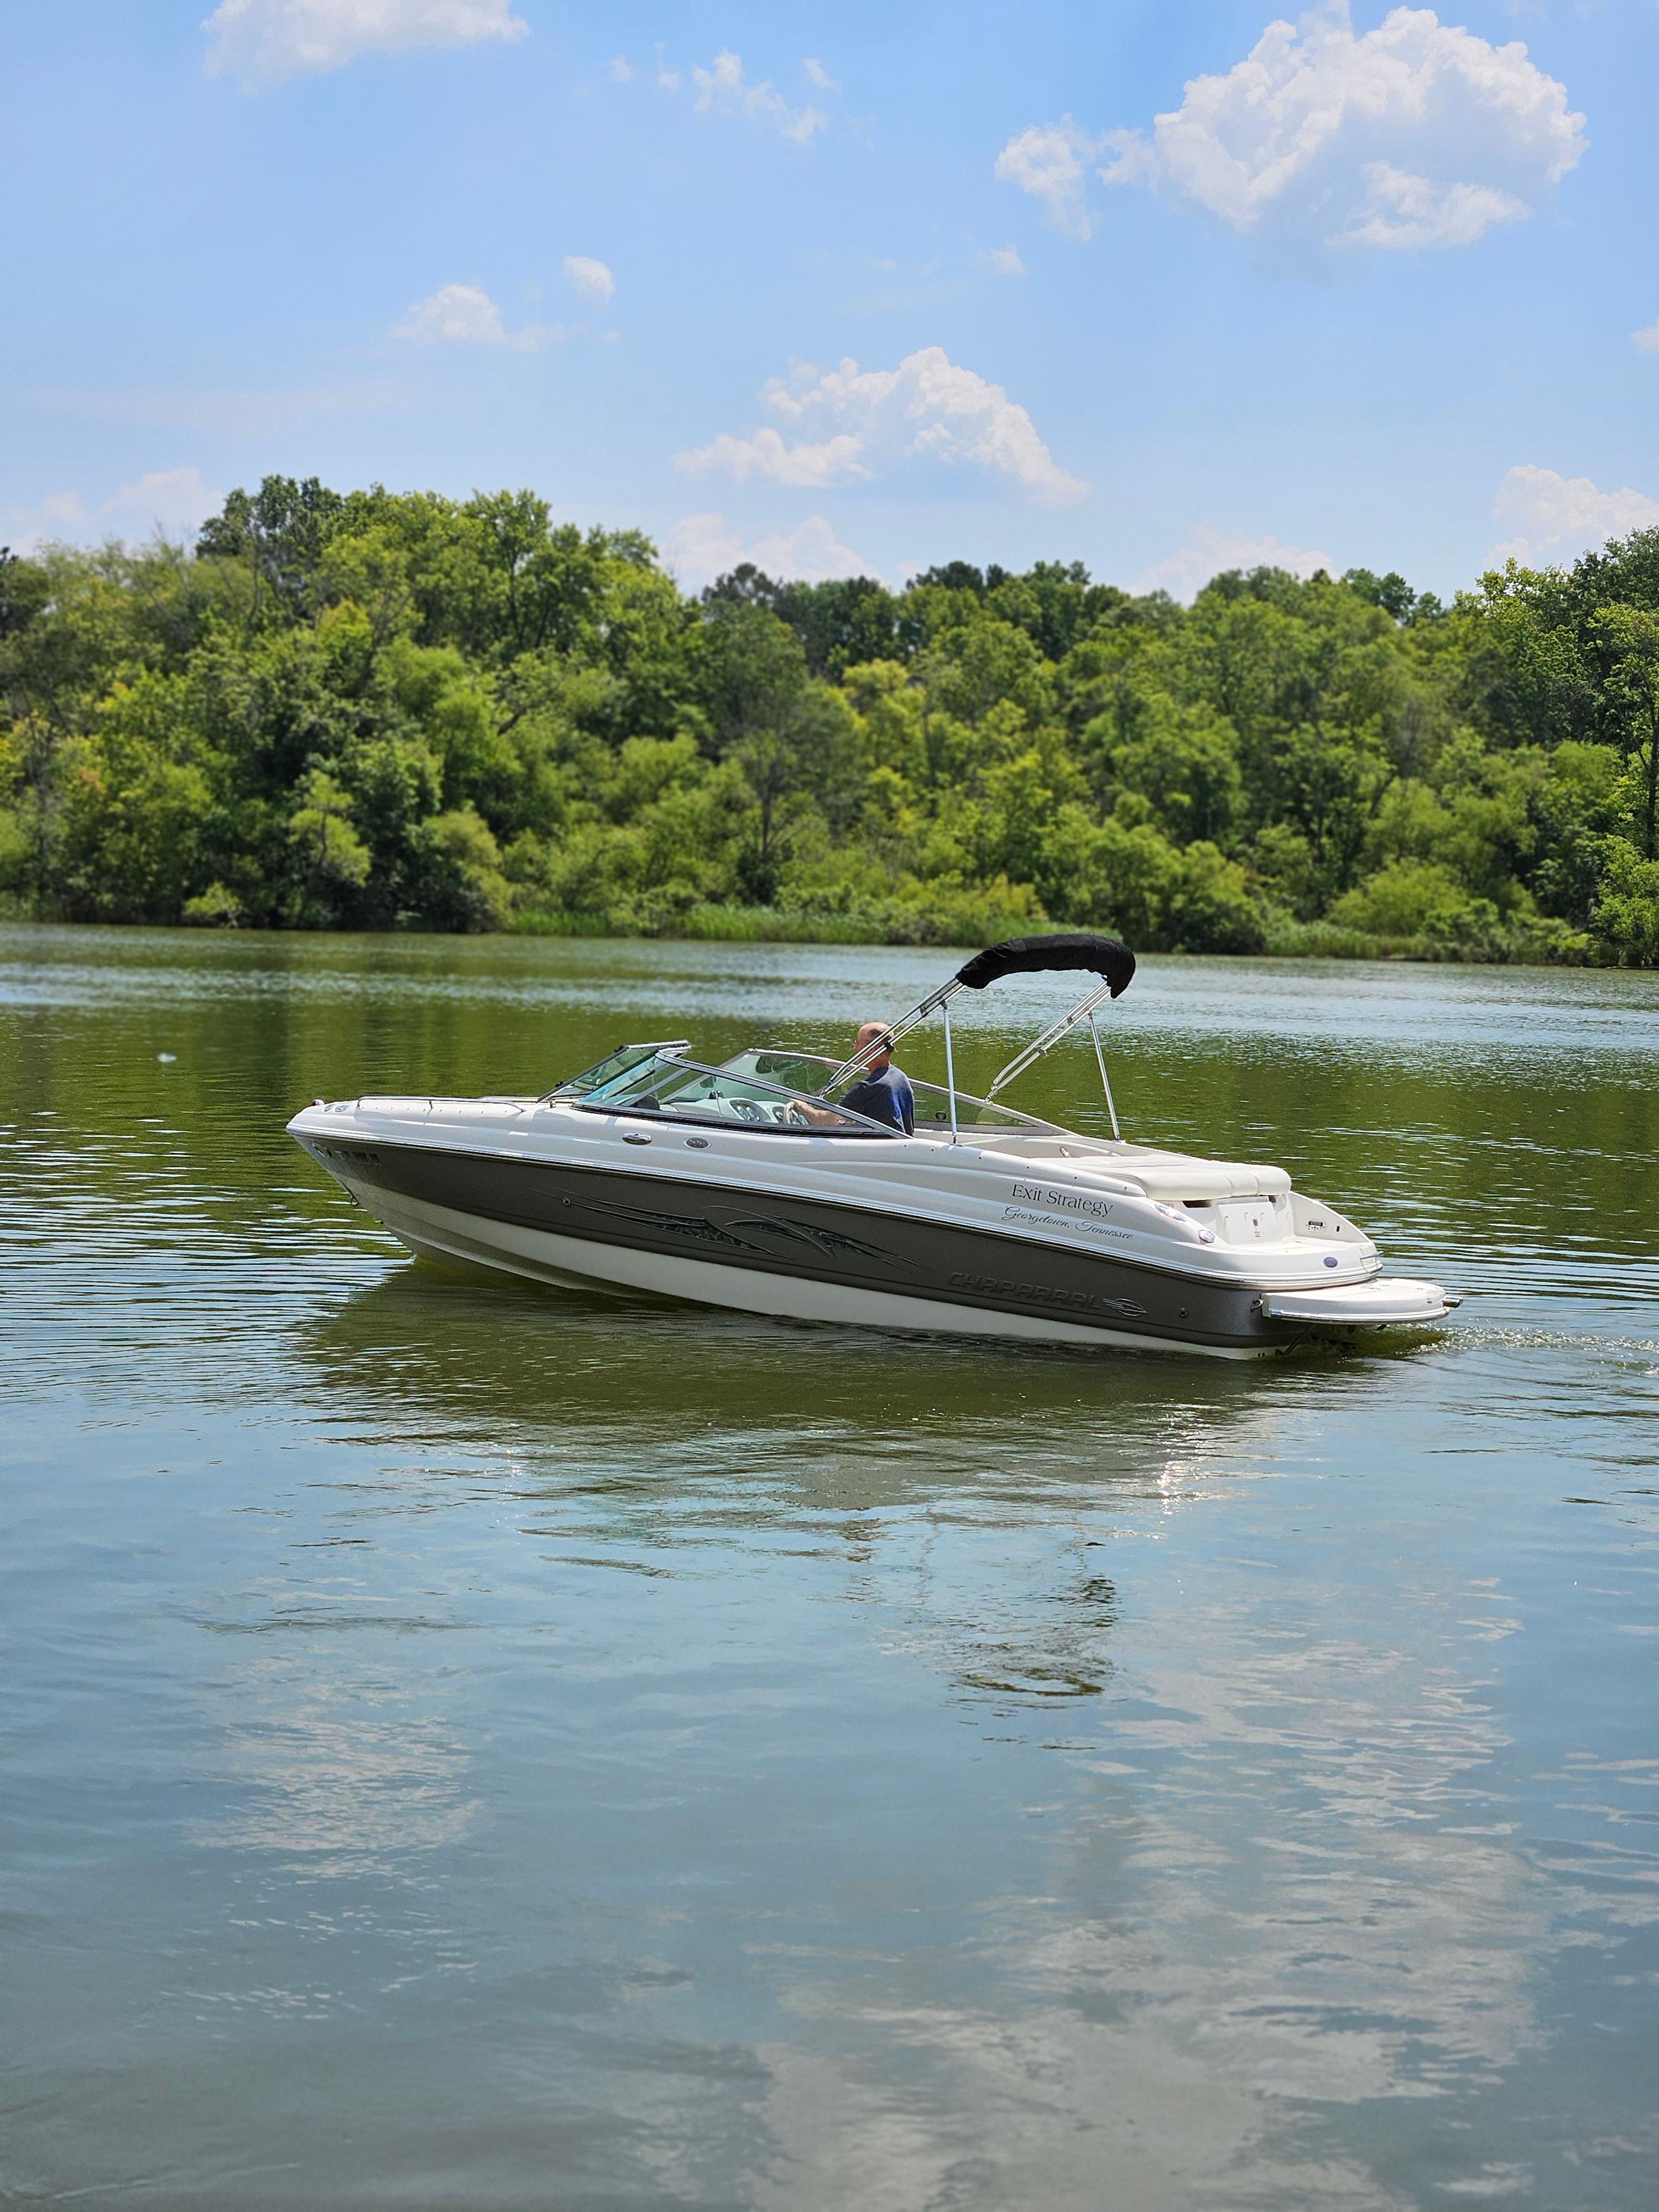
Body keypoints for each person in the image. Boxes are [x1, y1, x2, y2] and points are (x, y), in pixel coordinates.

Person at [838, 1021, 915, 1135]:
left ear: (872, 1049)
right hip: (899, 1147)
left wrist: (804, 1107)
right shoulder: (900, 1077)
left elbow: (829, 1120)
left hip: (882, 1149)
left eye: (858, 1043)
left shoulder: (869, 1087)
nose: (855, 1049)